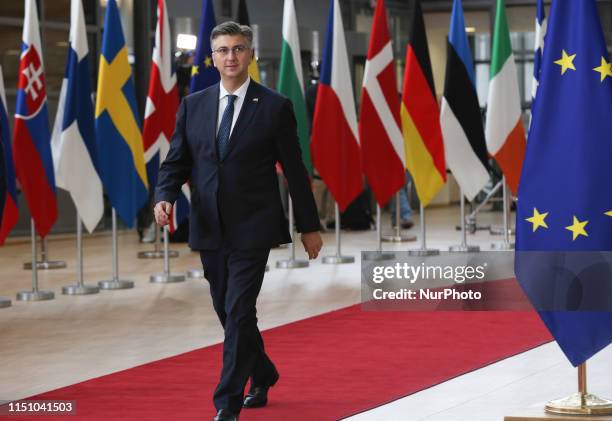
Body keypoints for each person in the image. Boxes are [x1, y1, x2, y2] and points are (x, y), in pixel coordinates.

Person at [154, 22, 322, 421]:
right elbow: (177, 159)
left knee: (239, 308)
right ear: (212, 58)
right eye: (223, 50)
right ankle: (262, 372)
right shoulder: (193, 105)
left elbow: (296, 171)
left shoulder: (275, 106)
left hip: (254, 225)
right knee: (227, 310)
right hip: (209, 225)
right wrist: (165, 195)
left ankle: (227, 403)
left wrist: (309, 227)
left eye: (238, 49)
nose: (231, 57)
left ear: (250, 55)